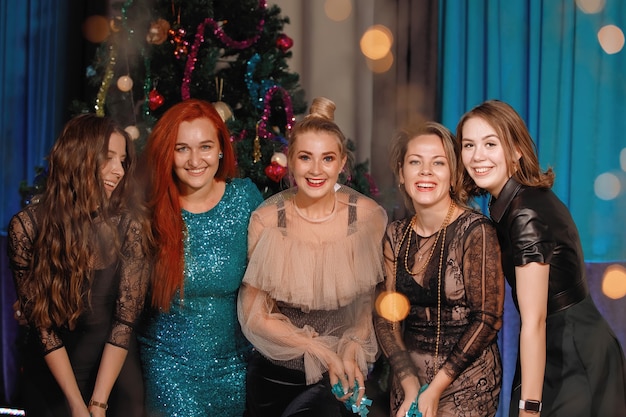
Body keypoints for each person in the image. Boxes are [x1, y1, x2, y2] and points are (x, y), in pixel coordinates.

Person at [457, 99, 626, 417]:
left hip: (573, 356)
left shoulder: (525, 213)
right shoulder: (514, 202)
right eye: (469, 145)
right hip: (557, 346)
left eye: (490, 143)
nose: (477, 156)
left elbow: (534, 319)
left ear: (516, 150)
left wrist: (529, 408)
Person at [237, 97, 388, 417]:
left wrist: (349, 349)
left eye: (327, 158)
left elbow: (366, 305)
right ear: (290, 161)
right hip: (276, 380)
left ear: (342, 163)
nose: (316, 170)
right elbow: (255, 314)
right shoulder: (266, 220)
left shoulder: (366, 218)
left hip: (342, 377)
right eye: (305, 157)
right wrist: (320, 350)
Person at [7, 114, 152, 417]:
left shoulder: (129, 227)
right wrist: (75, 404)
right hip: (54, 373)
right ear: (78, 157)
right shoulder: (27, 227)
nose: (119, 171)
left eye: (123, 161)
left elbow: (124, 322)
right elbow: (42, 327)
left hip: (113, 373)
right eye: (108, 158)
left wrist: (98, 404)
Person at [138, 98, 263, 417]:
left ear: (221, 149)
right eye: (182, 148)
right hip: (169, 370)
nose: (195, 160)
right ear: (169, 153)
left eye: (205, 146)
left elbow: (275, 277)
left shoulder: (244, 199)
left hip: (236, 370)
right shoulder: (151, 209)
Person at [374, 122, 504, 417]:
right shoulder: (395, 235)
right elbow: (385, 319)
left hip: (467, 381)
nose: (425, 172)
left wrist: (434, 390)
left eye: (438, 163)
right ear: (401, 173)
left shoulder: (476, 231)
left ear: (454, 174)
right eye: (415, 162)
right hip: (409, 377)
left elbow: (488, 319)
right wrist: (409, 385)